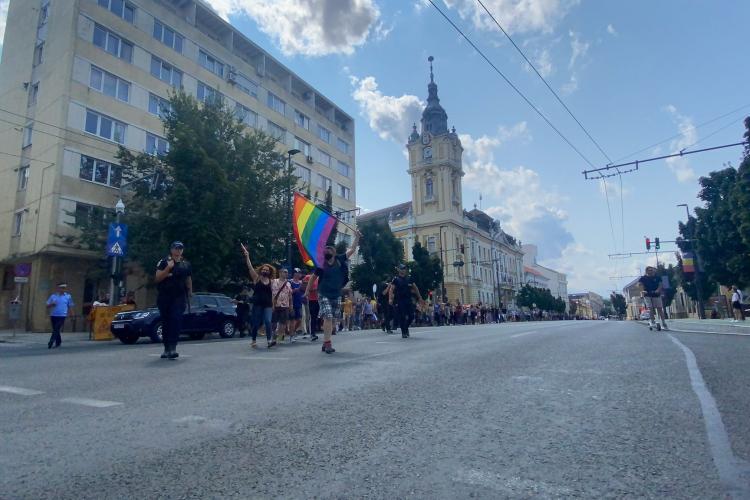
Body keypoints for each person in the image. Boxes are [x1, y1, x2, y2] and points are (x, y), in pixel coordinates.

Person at [304, 232, 361, 354]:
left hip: (336, 293)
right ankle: (328, 343)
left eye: (329, 249)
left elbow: (352, 250)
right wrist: (307, 291)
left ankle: (326, 340)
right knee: (328, 316)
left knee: (333, 319)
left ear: (334, 252)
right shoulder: (321, 264)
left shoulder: (340, 259)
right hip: (323, 293)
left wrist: (356, 237)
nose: (327, 251)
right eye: (325, 249)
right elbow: (313, 278)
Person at [155, 241, 193, 359]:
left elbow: (188, 278)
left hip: (179, 297)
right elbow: (157, 278)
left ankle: (173, 348)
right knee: (166, 322)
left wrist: (190, 292)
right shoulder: (164, 262)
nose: (178, 250)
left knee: (176, 320)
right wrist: (168, 269)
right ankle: (166, 348)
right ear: (171, 249)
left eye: (180, 248)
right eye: (176, 248)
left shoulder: (185, 264)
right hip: (165, 296)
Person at [241, 243, 276, 349]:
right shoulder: (256, 278)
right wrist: (247, 256)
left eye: (267, 270)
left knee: (268, 321)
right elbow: (250, 267)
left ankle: (269, 340)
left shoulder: (272, 281)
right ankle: (253, 340)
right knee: (256, 323)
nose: (265, 271)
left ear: (269, 272)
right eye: (264, 269)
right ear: (261, 270)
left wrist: (274, 305)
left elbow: (273, 294)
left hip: (268, 304)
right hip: (257, 304)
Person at [389, 264, 425, 339]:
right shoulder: (396, 279)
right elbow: (391, 289)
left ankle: (406, 327)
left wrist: (420, 297)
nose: (403, 270)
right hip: (400, 300)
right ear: (399, 270)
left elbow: (415, 288)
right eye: (402, 268)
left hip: (408, 300)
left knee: (411, 316)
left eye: (404, 269)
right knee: (402, 317)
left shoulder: (409, 278)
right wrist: (390, 299)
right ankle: (404, 332)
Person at [638, 266, 668, 331]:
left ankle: (663, 323)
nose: (651, 271)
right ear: (646, 271)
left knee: (660, 308)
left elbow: (660, 284)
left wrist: (658, 290)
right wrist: (642, 290)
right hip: (647, 295)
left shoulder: (657, 277)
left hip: (656, 294)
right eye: (649, 270)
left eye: (651, 270)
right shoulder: (643, 278)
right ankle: (652, 321)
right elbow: (640, 285)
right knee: (650, 308)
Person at [46, 283, 75, 349]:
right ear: (58, 288)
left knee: (56, 328)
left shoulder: (68, 296)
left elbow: (70, 306)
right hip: (53, 315)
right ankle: (58, 342)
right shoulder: (53, 296)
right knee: (56, 329)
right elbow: (47, 305)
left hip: (62, 315)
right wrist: (52, 304)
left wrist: (72, 315)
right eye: (61, 288)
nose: (63, 289)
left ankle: (51, 341)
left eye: (64, 288)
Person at [272, 267, 293, 342]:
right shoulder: (273, 281)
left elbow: (290, 295)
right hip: (275, 304)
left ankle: (279, 336)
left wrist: (291, 305)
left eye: (287, 272)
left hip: (285, 305)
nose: (286, 273)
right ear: (280, 273)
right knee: (273, 322)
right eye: (284, 272)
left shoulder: (288, 283)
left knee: (283, 322)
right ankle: (273, 333)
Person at [303, 272, 319, 341]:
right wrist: (312, 290)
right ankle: (312, 333)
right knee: (312, 316)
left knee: (316, 316)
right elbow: (304, 286)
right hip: (311, 300)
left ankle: (314, 331)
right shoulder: (308, 276)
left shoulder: (320, 278)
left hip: (319, 300)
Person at [290, 269, 305, 338]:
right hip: (291, 302)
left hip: (299, 302)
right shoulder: (290, 282)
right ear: (294, 274)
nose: (298, 274)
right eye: (297, 272)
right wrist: (295, 290)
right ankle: (291, 334)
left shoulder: (301, 282)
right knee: (292, 319)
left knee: (299, 319)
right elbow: (288, 292)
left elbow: (304, 291)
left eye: (299, 272)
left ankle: (293, 331)